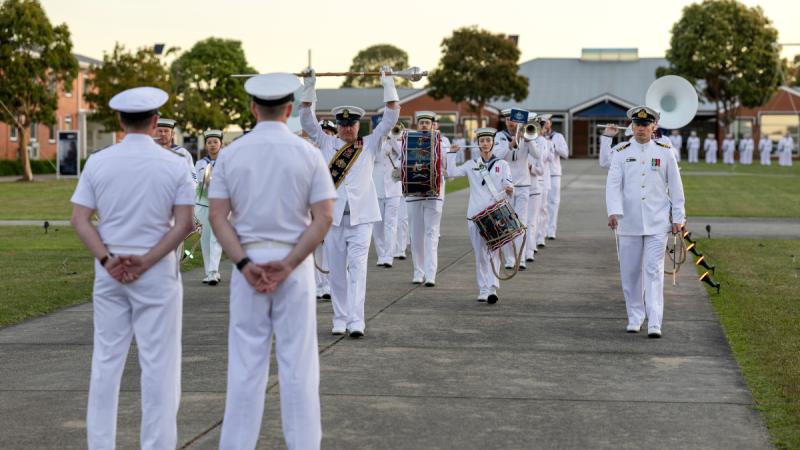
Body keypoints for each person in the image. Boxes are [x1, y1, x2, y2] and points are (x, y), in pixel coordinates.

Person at [209, 73, 336, 449]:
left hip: (248, 262)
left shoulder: (231, 153)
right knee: (299, 365)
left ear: (252, 108)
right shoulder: (308, 153)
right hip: (292, 264)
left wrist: (245, 264)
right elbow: (324, 217)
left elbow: (218, 216)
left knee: (246, 365)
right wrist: (290, 263)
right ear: (290, 109)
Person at [70, 87, 195, 449]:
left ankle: (101, 444)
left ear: (119, 121)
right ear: (156, 122)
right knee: (159, 366)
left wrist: (108, 260)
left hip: (110, 272)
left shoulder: (99, 161)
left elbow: (80, 219)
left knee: (106, 361)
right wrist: (147, 260)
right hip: (154, 271)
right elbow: (184, 224)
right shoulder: (173, 164)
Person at [298, 66, 400, 337]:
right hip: (332, 219)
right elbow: (306, 118)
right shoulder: (325, 142)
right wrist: (309, 85)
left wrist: (387, 82)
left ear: (358, 125)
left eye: (351, 124)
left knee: (358, 270)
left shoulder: (369, 144)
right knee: (337, 274)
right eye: (342, 124)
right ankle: (340, 318)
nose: (346, 128)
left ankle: (357, 320)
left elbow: (391, 116)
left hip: (361, 219)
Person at [606, 106, 686, 338]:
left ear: (654, 127)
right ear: (631, 126)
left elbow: (676, 186)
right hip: (628, 222)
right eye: (637, 125)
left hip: (657, 222)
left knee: (653, 271)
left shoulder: (665, 151)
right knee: (630, 273)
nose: (641, 129)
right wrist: (613, 212)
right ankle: (635, 316)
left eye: (645, 125)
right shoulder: (620, 151)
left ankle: (654, 321)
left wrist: (678, 217)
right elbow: (613, 184)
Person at [446, 127, 513, 303]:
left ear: (493, 143)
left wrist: (509, 189)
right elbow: (451, 173)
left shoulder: (502, 164)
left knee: (495, 252)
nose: (485, 144)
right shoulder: (471, 164)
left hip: (495, 215)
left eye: (488, 141)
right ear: (477, 143)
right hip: (475, 216)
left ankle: (492, 288)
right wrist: (452, 154)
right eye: (482, 141)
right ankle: (483, 289)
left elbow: (510, 186)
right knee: (480, 255)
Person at [493, 110, 538, 270]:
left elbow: (537, 155)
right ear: (505, 121)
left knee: (521, 222)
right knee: (506, 224)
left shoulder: (527, 134)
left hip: (524, 185)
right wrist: (511, 143)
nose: (510, 122)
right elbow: (496, 155)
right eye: (507, 119)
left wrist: (528, 140)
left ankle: (521, 257)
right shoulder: (499, 136)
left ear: (518, 122)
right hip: (506, 187)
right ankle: (510, 259)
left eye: (513, 120)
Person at [406, 111, 447, 285]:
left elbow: (447, 168)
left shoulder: (442, 142)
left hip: (434, 195)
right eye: (421, 122)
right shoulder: (409, 141)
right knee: (416, 235)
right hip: (414, 194)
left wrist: (447, 152)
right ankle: (418, 272)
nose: (424, 125)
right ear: (418, 125)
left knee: (432, 234)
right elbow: (403, 164)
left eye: (427, 123)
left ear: (433, 125)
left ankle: (431, 275)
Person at [194, 129, 225, 285]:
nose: (212, 145)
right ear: (206, 145)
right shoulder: (200, 163)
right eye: (209, 142)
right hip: (202, 204)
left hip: (220, 204)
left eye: (215, 142)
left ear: (221, 143)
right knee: (205, 239)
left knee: (216, 237)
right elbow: (196, 183)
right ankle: (209, 272)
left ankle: (213, 272)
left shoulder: (226, 161)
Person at [373, 131, 403, 267]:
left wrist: (393, 140)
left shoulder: (397, 142)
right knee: (378, 225)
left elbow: (403, 154)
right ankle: (381, 255)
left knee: (390, 223)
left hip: (393, 188)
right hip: (377, 189)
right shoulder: (374, 143)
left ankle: (389, 256)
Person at [542, 115, 568, 240]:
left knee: (553, 202)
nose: (545, 124)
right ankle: (542, 230)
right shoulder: (537, 136)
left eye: (547, 122)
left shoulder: (558, 136)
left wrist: (553, 145)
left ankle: (551, 230)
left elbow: (565, 154)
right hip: (540, 173)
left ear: (550, 123)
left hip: (554, 173)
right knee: (543, 204)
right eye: (542, 122)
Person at [155, 117, 196, 183]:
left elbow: (192, 178)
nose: (163, 134)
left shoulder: (183, 153)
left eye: (166, 131)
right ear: (155, 133)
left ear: (172, 134)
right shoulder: (149, 152)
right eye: (160, 131)